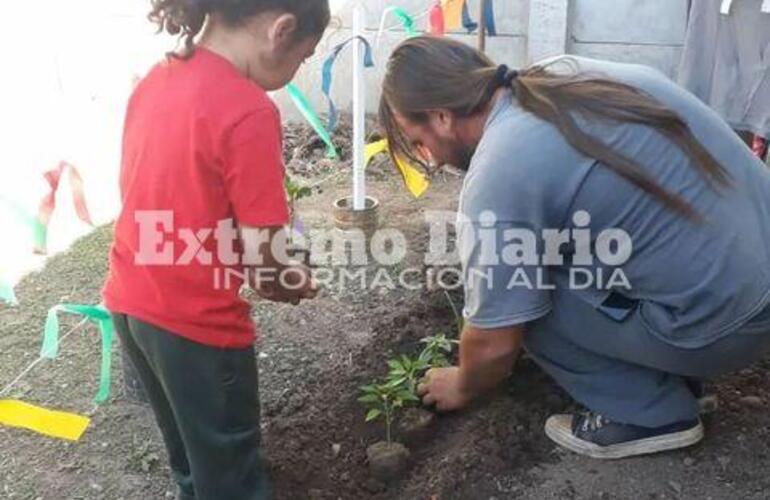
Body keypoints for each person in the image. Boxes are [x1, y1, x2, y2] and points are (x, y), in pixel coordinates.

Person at [379, 36, 770, 459]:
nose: (430, 160)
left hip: (729, 327)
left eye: (417, 141)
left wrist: (462, 382)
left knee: (527, 300)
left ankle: (652, 412)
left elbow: (495, 342)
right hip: (749, 280)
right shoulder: (565, 75)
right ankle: (674, 366)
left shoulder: (501, 169)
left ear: (441, 117)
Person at [103, 1, 328, 498]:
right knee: (232, 478)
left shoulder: (155, 81)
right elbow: (264, 255)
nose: (298, 70)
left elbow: (154, 198)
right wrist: (292, 282)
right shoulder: (247, 110)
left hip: (132, 305)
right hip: (198, 328)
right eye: (305, 56)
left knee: (191, 461)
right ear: (281, 29)